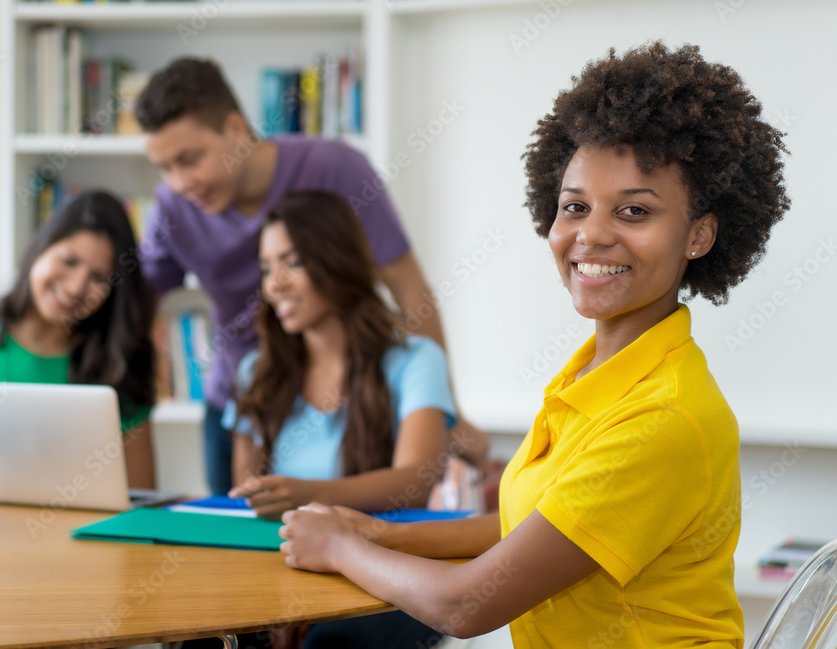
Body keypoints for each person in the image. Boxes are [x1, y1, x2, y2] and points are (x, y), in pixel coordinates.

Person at [278, 42, 791, 647]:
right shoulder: (594, 374)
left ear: (698, 235)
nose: (591, 234)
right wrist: (384, 535)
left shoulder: (663, 417)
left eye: (633, 211)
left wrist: (339, 547)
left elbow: (465, 607)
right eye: (574, 207)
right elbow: (532, 525)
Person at [133, 57, 490, 496]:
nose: (179, 183)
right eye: (165, 168)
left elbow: (407, 286)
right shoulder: (172, 207)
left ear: (235, 129)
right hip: (250, 399)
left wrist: (445, 407)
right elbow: (135, 303)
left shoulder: (335, 169)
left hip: (354, 395)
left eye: (189, 160)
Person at [225, 189, 452, 648]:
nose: (275, 284)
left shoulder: (416, 359)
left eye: (292, 262)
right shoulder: (256, 372)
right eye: (266, 268)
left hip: (388, 572)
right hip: (284, 564)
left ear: (337, 259)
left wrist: (308, 494)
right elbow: (246, 498)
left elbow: (415, 481)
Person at [0, 191, 159, 490]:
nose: (76, 287)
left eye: (98, 278)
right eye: (69, 261)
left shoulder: (121, 364)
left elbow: (141, 495)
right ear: (41, 248)